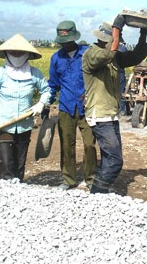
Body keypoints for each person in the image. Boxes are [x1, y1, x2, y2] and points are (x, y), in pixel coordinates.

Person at [82, 16, 147, 194]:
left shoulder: (115, 58)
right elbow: (106, 56)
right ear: (106, 40)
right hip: (100, 115)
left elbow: (135, 56)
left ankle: (101, 192)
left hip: (111, 114)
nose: (119, 43)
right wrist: (117, 29)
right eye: (116, 40)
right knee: (115, 159)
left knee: (109, 157)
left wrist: (143, 34)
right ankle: (98, 191)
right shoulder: (92, 54)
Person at [0, 34, 50, 182]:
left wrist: (41, 103)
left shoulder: (34, 74)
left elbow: (46, 90)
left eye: (21, 53)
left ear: (27, 55)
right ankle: (6, 189)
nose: (17, 56)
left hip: (24, 125)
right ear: (6, 53)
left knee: (20, 162)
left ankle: (18, 187)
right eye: (13, 52)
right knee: (7, 162)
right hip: (3, 124)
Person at [45, 20, 97, 190]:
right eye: (62, 42)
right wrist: (46, 102)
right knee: (67, 144)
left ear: (74, 38)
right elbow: (53, 84)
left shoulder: (87, 54)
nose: (65, 44)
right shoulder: (56, 58)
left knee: (90, 144)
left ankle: (91, 178)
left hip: (87, 107)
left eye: (68, 41)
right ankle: (69, 179)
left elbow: (97, 79)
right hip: (66, 107)